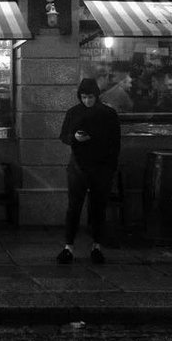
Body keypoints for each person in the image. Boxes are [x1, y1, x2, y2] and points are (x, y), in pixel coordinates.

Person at [57, 78, 121, 265]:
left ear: (96, 96)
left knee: (97, 208)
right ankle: (70, 246)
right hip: (81, 166)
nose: (87, 101)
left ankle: (96, 245)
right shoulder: (75, 112)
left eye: (90, 97)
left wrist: (110, 166)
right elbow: (64, 136)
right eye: (84, 97)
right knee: (74, 208)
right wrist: (74, 138)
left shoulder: (107, 114)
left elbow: (115, 142)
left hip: (99, 167)